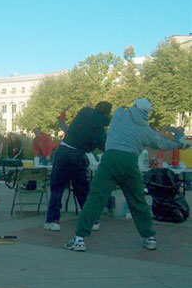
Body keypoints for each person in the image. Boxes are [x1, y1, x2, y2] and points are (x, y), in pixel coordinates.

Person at [65, 98, 188, 252]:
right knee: (138, 201)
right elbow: (161, 143)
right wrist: (180, 144)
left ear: (134, 106)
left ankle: (79, 238)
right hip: (130, 162)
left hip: (110, 160)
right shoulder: (146, 130)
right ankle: (150, 238)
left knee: (95, 199)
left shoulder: (119, 114)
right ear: (147, 113)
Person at [44, 101, 112, 231]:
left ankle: (53, 221)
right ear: (107, 114)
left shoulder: (84, 112)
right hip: (78, 156)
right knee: (82, 189)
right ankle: (91, 220)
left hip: (63, 152)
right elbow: (105, 146)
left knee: (57, 188)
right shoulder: (100, 131)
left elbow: (88, 110)